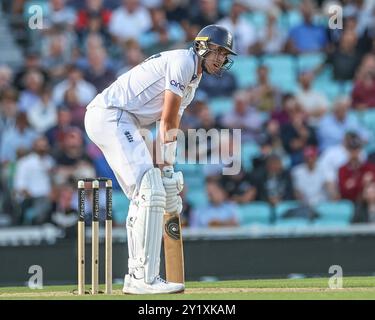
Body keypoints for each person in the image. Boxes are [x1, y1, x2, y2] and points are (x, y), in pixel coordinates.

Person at [84, 25, 237, 294]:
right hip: (112, 115)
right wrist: (166, 176)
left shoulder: (193, 77)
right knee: (150, 190)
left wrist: (166, 168)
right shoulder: (181, 63)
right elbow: (165, 121)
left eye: (225, 55)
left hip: (124, 121)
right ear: (202, 47)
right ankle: (144, 278)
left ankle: (136, 276)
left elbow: (170, 125)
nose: (221, 59)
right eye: (218, 52)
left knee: (144, 194)